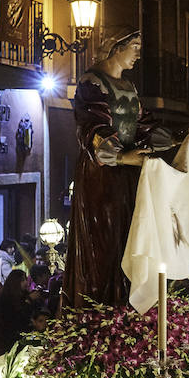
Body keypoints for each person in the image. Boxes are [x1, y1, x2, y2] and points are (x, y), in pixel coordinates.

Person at [64, 31, 176, 309]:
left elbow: (143, 125)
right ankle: (101, 306)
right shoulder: (91, 83)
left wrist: (176, 140)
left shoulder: (128, 86)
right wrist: (121, 157)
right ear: (117, 47)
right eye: (135, 47)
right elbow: (91, 127)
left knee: (130, 232)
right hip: (101, 174)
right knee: (105, 240)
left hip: (128, 173)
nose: (138, 53)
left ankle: (129, 302)